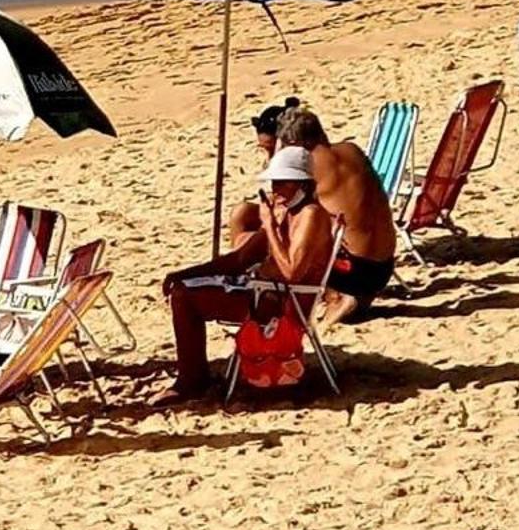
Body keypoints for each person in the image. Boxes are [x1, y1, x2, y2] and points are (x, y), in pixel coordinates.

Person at [159, 145, 335, 400]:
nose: (275, 189)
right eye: (274, 182)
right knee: (184, 288)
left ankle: (192, 380)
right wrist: (185, 273)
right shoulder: (287, 212)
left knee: (185, 298)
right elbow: (241, 259)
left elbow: (292, 272)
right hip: (265, 293)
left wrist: (270, 227)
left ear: (302, 184)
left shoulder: (311, 215)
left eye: (283, 183)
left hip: (283, 304)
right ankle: (194, 376)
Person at [276, 107, 397, 324]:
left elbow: (285, 214)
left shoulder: (309, 168)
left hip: (352, 272)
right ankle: (352, 298)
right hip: (383, 268)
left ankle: (335, 295)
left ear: (293, 145)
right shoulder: (353, 150)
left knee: (300, 225)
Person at [227, 98, 303, 241]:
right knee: (241, 213)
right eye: (265, 149)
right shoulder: (275, 161)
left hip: (298, 219)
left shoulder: (299, 160)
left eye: (272, 148)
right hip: (278, 214)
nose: (269, 156)